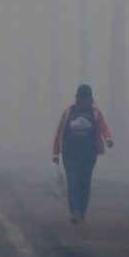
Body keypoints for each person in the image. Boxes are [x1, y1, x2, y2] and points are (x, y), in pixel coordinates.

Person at [52, 83, 113, 225]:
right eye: (82, 97)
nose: (84, 100)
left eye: (87, 97)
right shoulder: (69, 112)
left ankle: (82, 210)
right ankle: (75, 211)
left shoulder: (95, 113)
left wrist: (108, 139)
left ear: (91, 98)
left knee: (85, 183)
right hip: (70, 154)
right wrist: (55, 153)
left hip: (88, 154)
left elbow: (103, 126)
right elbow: (60, 132)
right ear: (77, 98)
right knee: (73, 181)